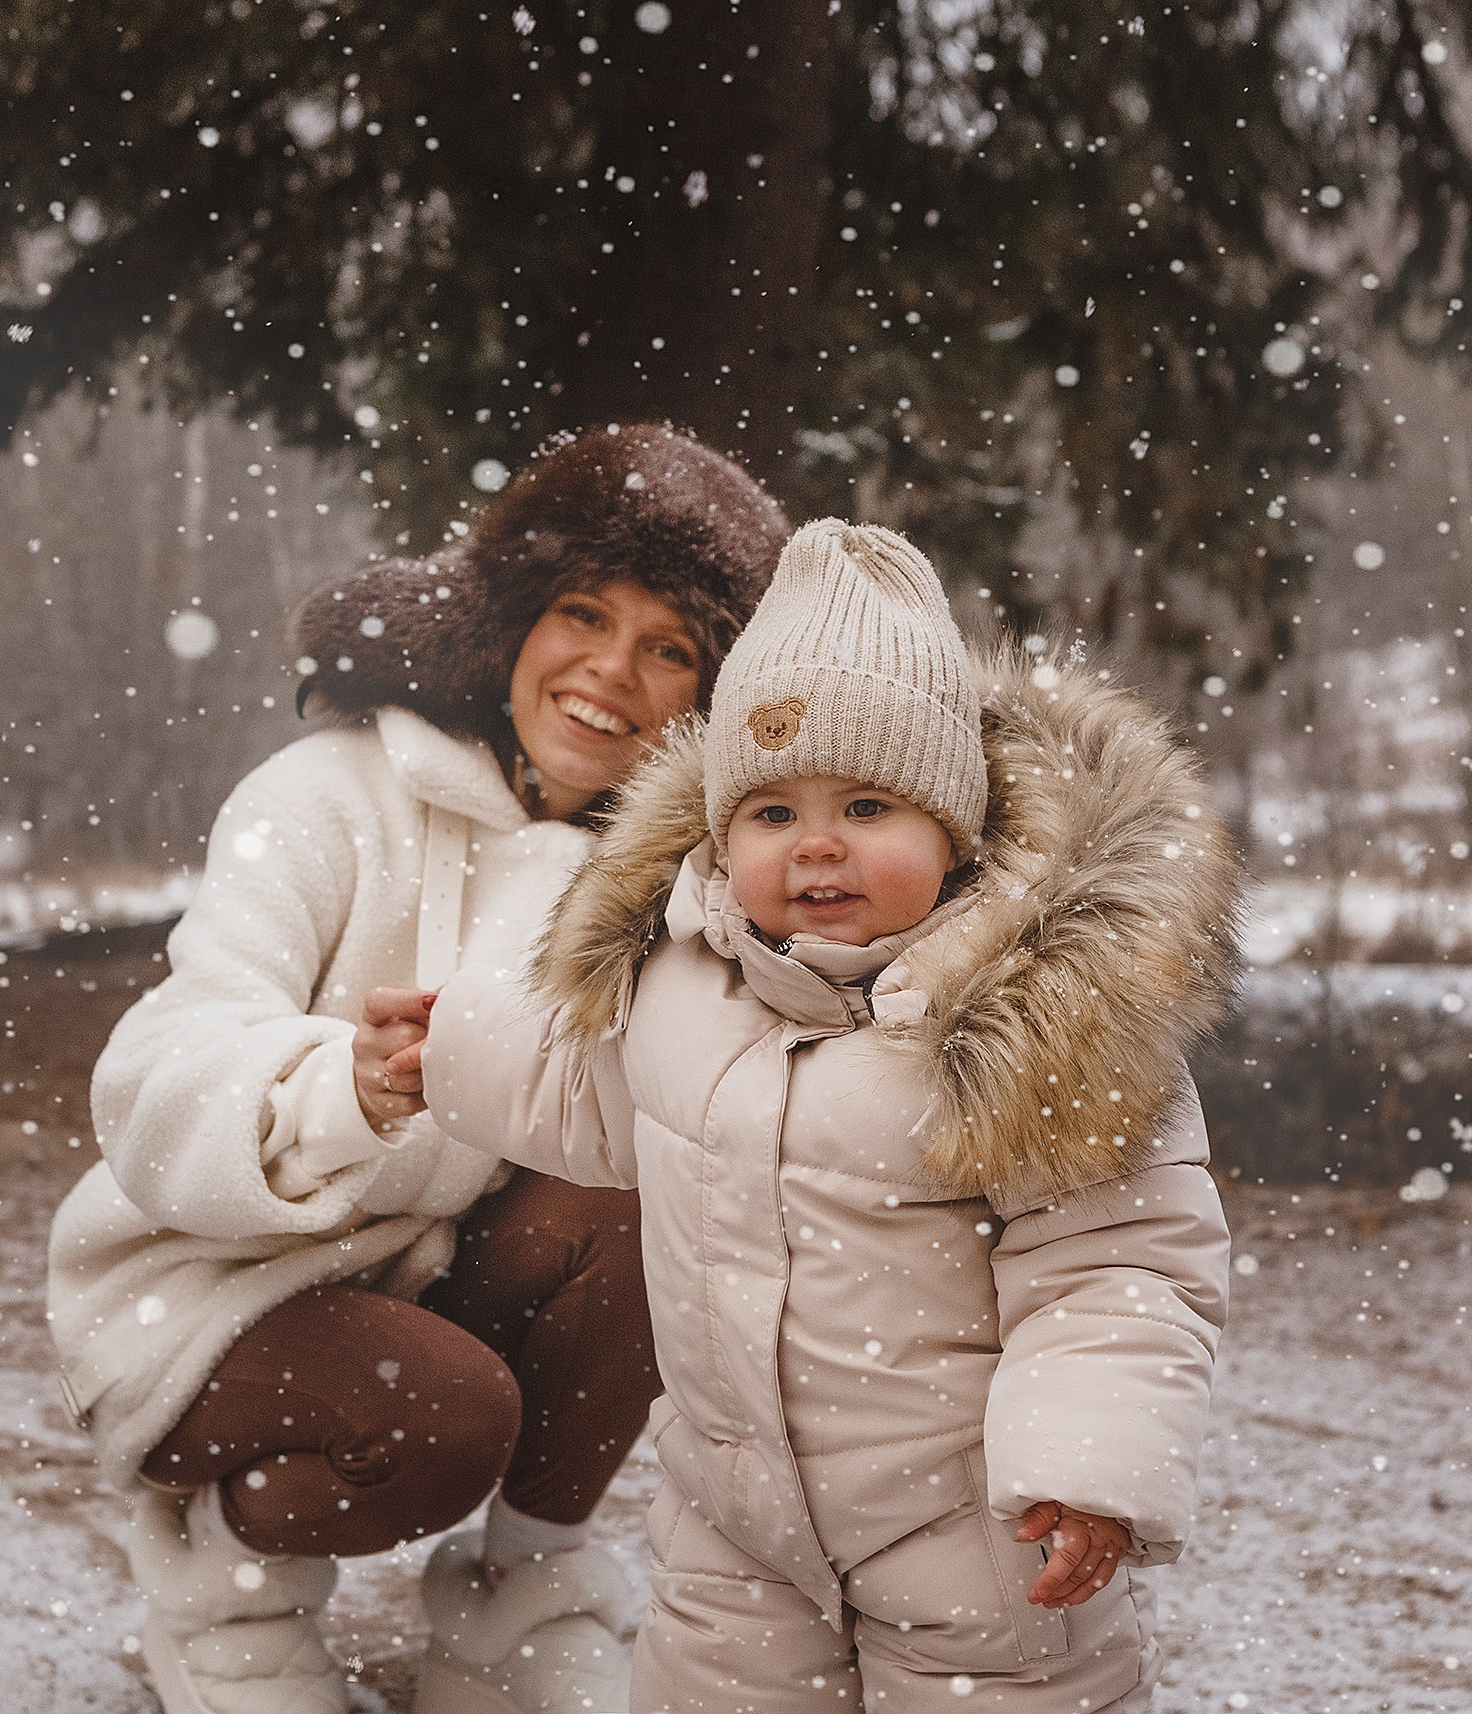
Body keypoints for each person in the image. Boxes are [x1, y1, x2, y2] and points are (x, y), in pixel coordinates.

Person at [410, 520, 1244, 1712]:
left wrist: (1085, 1461)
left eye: (866, 805)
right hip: (732, 1529)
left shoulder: (1038, 1017)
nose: (815, 847)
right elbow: (585, 1096)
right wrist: (440, 1044)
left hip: (972, 1538)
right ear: (716, 829)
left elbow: (1118, 1266)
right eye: (769, 813)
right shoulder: (685, 976)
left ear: (954, 832)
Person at [46, 423, 788, 1714]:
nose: (610, 670)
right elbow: (152, 1077)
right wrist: (348, 1084)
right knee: (446, 1414)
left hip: (427, 1269)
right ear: (511, 618)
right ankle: (223, 1600)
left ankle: (513, 1613)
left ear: (707, 697)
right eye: (582, 612)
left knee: (646, 1204)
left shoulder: (668, 883)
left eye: (669, 647)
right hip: (213, 1290)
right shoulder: (330, 796)